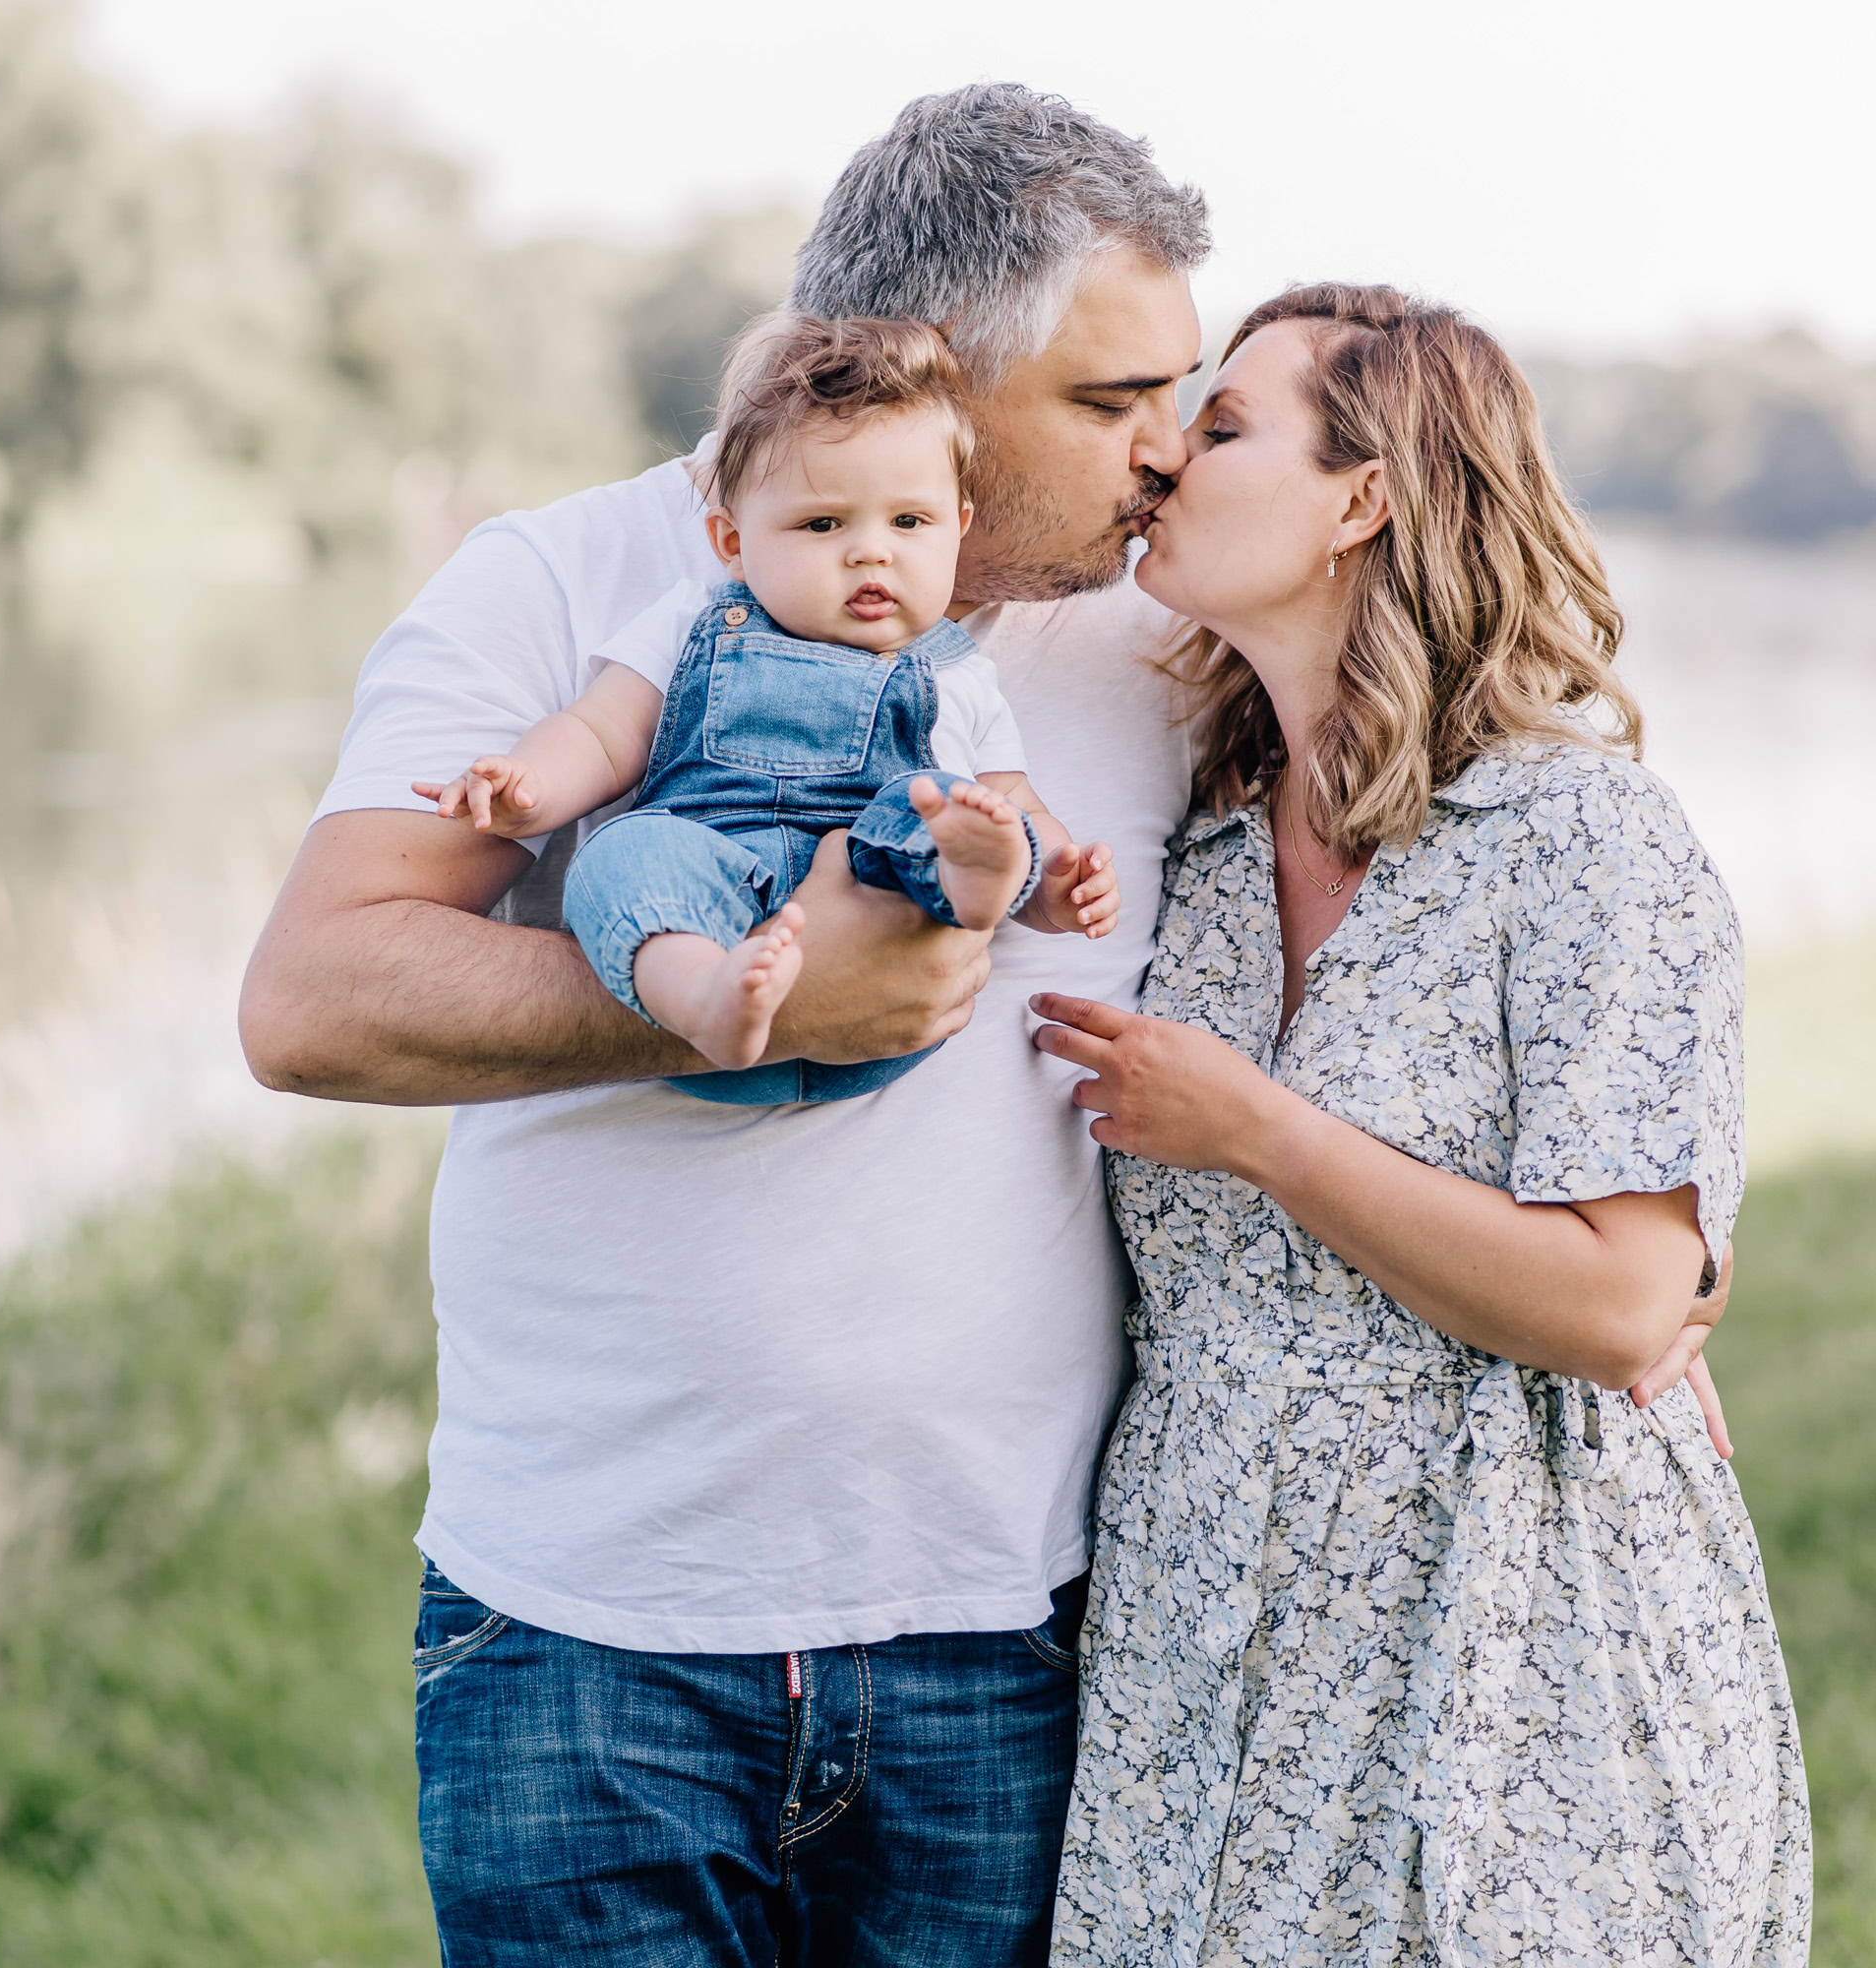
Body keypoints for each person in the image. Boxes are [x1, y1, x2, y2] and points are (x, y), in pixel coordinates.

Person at [242, 83, 1209, 1964]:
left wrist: (1603, 1273)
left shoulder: (1159, 647)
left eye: (1184, 395)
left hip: (997, 1631)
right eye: (1115, 404)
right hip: (588, 1631)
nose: (1167, 456)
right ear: (926, 369)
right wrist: (729, 1014)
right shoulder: (568, 581)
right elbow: (312, 996)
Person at [1032, 284, 1809, 1965]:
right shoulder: (1205, 844)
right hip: (1200, 1664)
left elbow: (1621, 1304)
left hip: (1513, 1651)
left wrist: (1264, 1131)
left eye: (1225, 427)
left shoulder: (1585, 841)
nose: (1163, 457)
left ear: (1363, 498)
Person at [412, 314, 1119, 1098]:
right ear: (733, 543)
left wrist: (1057, 882)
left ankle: (977, 883)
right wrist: (529, 788)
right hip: (715, 902)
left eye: (909, 522)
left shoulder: (958, 675)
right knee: (620, 854)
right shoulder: (696, 624)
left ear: (957, 526)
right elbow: (600, 733)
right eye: (822, 524)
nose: (871, 550)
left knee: (955, 808)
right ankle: (701, 993)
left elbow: (1019, 798)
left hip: (885, 963)